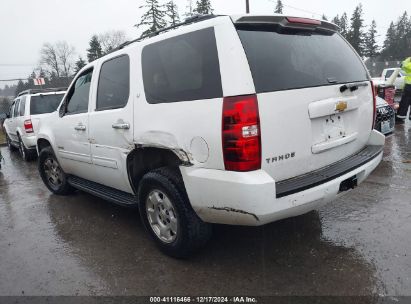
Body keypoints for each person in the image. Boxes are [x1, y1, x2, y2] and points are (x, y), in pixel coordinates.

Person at [396, 56, 411, 123]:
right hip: (408, 86)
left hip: (409, 86)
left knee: (405, 102)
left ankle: (400, 118)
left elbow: (403, 65)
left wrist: (408, 59)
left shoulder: (408, 64)